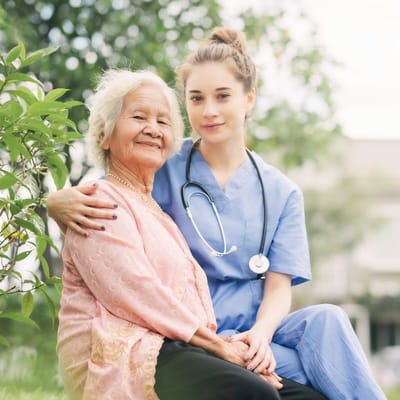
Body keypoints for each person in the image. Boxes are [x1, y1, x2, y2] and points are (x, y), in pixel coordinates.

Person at [49, 28, 386, 400]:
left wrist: (259, 336)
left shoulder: (282, 192)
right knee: (316, 376)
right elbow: (109, 186)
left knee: (327, 320)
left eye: (222, 96)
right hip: (187, 334)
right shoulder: (164, 162)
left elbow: (278, 288)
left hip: (250, 336)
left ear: (249, 99)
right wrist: (54, 201)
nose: (209, 111)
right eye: (196, 99)